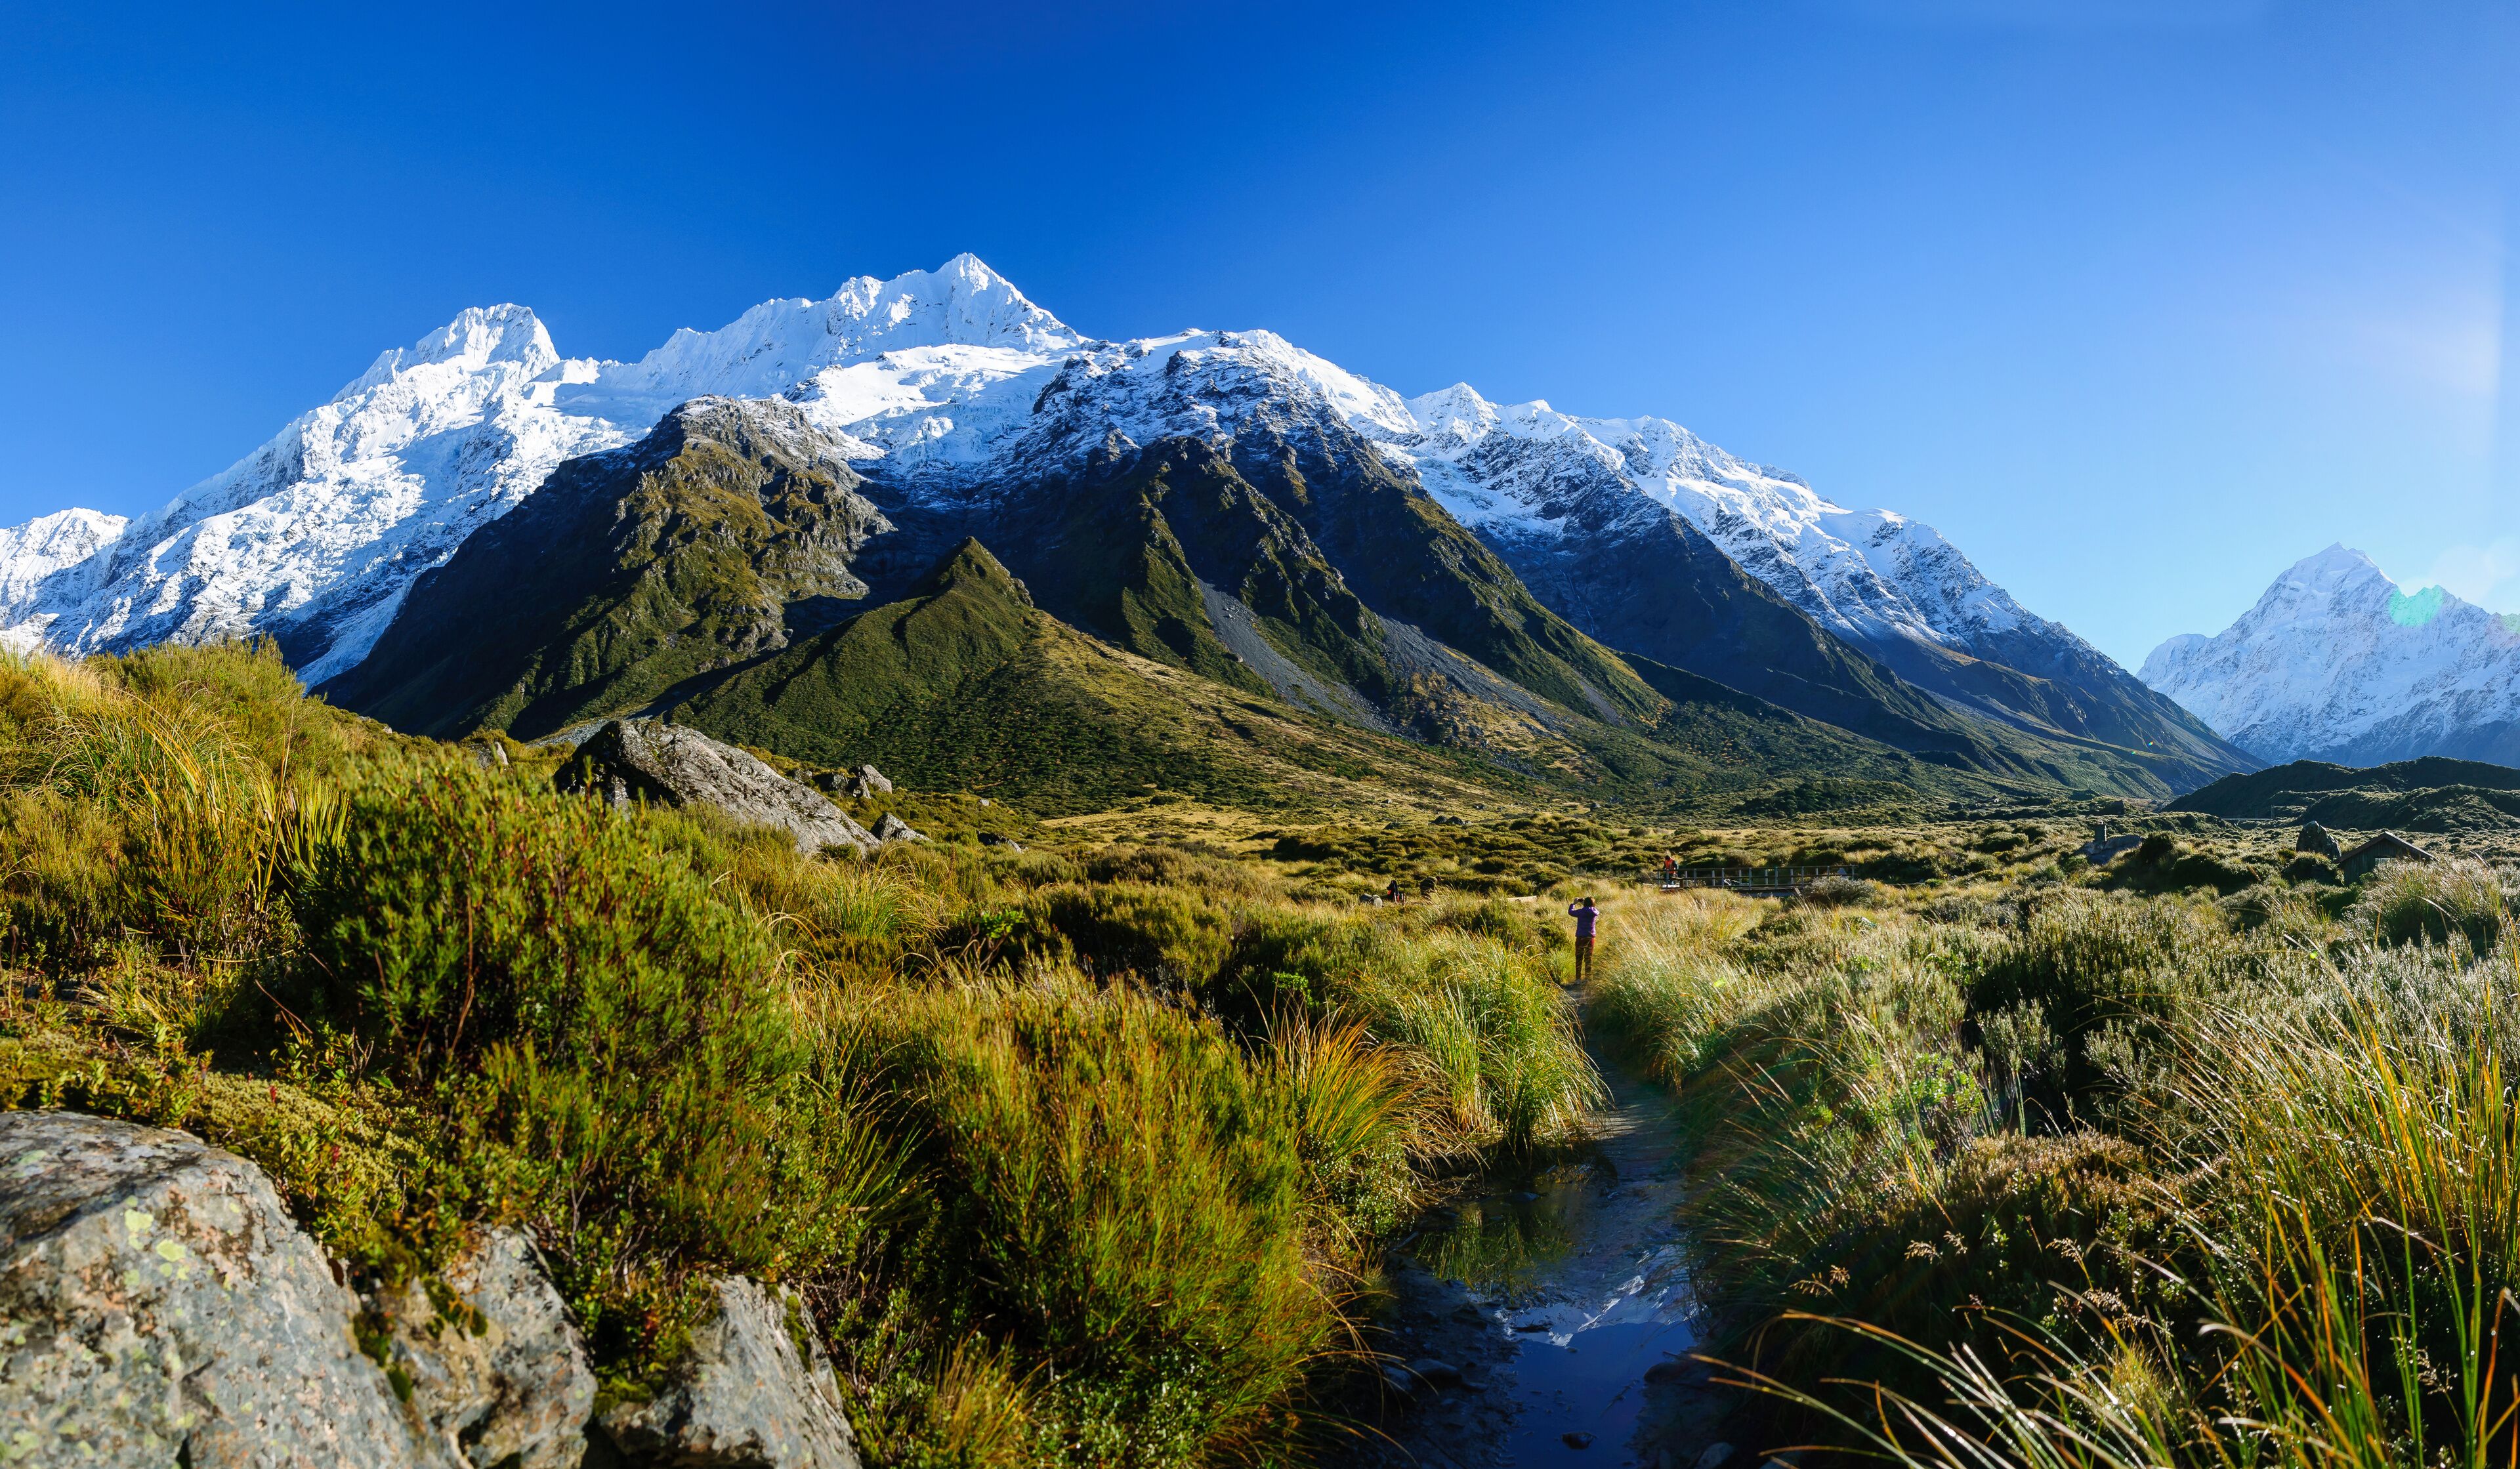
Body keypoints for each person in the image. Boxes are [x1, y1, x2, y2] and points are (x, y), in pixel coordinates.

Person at [1566, 895, 1599, 983]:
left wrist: (1574, 904)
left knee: (1579, 957)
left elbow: (1571, 912)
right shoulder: (1595, 912)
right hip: (1590, 937)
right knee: (1588, 958)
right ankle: (1588, 978)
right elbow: (1591, 909)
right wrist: (1586, 904)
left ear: (1585, 904)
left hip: (1581, 937)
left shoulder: (1581, 912)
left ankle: (1578, 979)